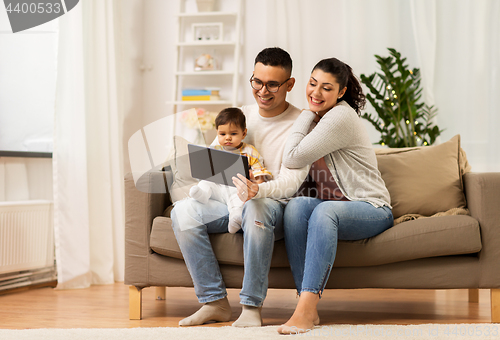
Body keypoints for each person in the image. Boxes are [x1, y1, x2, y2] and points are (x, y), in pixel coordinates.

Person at [171, 47, 308, 327]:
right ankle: (214, 302)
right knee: (182, 212)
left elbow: (292, 180)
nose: (263, 90)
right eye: (257, 81)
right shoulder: (241, 115)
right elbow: (214, 155)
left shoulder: (301, 122)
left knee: (255, 208)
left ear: (290, 84)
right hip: (231, 200)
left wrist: (260, 188)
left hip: (271, 205)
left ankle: (251, 307)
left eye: (272, 84)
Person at [272, 57, 394, 334]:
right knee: (298, 206)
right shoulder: (324, 115)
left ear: (341, 92)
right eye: (312, 83)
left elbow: (292, 157)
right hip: (337, 208)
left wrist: (305, 114)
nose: (315, 93)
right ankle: (307, 306)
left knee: (324, 210)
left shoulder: (339, 115)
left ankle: (305, 309)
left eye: (326, 88)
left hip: (371, 208)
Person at [189, 107, 272, 234]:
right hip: (216, 188)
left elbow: (260, 173)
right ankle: (202, 194)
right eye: (223, 134)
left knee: (238, 198)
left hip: (235, 188)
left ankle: (235, 218)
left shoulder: (249, 152)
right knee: (206, 182)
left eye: (233, 134)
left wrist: (254, 178)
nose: (227, 138)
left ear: (243, 133)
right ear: (217, 133)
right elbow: (205, 170)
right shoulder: (215, 150)